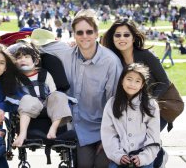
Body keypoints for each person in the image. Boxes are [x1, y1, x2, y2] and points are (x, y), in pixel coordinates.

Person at [38, 10, 123, 168]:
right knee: (84, 164)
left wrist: (111, 137)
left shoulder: (111, 62)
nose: (85, 36)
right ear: (74, 35)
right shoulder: (64, 54)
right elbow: (33, 45)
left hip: (103, 127)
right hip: (77, 127)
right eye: (80, 32)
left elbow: (116, 102)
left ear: (97, 34)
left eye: (89, 32)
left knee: (102, 165)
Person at [102, 18, 171, 167]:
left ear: (133, 37)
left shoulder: (146, 55)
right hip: (128, 109)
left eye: (126, 35)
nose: (122, 38)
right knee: (128, 144)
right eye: (117, 35)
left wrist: (145, 101)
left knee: (145, 144)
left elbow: (165, 82)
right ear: (112, 38)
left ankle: (158, 156)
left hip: (152, 108)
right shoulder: (114, 58)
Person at [10, 43, 72, 147]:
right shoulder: (16, 78)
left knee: (59, 96)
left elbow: (53, 92)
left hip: (47, 103)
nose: (22, 60)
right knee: (26, 99)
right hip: (29, 106)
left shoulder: (45, 74)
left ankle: (53, 128)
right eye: (19, 58)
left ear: (36, 61)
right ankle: (22, 133)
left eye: (26, 57)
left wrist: (55, 98)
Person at [101, 63, 161, 168]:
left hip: (144, 158)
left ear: (142, 85)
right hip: (120, 158)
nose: (132, 84)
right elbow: (108, 134)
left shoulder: (151, 105)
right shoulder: (112, 104)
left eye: (137, 81)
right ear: (122, 80)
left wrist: (143, 157)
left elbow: (154, 136)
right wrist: (118, 155)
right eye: (129, 79)